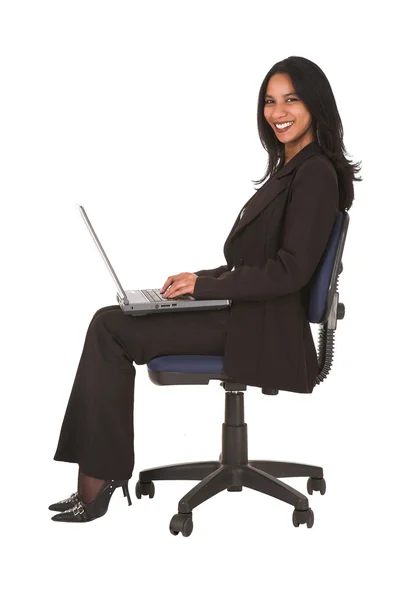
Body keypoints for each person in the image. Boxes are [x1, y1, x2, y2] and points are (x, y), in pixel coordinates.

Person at [50, 56, 362, 523]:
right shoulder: (290, 168)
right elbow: (258, 261)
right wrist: (198, 282)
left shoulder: (314, 173)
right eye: (269, 101)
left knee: (111, 327)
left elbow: (289, 272)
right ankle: (99, 475)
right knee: (116, 320)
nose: (277, 111)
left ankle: (99, 482)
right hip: (249, 315)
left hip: (263, 328)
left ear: (315, 105)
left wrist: (206, 287)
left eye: (291, 100)